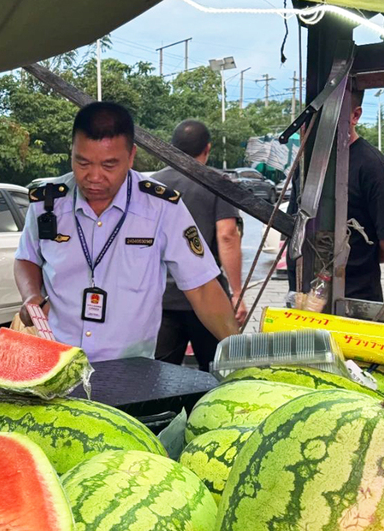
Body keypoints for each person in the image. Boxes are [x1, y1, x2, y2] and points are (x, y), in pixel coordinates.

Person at [14, 102, 239, 362]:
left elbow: (202, 288)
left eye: (109, 165)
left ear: (131, 156)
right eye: (83, 162)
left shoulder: (160, 207)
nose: (94, 176)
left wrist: (241, 353)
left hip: (132, 369)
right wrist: (31, 295)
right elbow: (27, 257)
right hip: (57, 362)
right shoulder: (47, 202)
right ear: (71, 151)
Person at [287, 89, 384, 302]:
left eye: (332, 113)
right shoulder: (306, 166)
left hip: (353, 300)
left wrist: (354, 259)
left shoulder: (374, 169)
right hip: (302, 299)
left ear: (355, 116)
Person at [153, 120, 246, 371]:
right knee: (216, 374)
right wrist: (237, 293)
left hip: (161, 298)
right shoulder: (216, 182)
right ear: (207, 148)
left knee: (158, 376)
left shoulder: (152, 185)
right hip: (207, 295)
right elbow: (227, 235)